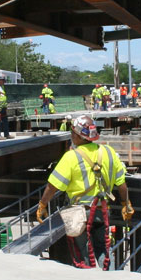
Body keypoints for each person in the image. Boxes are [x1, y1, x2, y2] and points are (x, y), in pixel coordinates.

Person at [36, 115, 134, 269]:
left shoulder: (71, 157)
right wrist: (126, 204)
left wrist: (42, 204)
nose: (71, 136)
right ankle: (111, 278)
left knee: (82, 252)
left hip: (80, 212)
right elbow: (121, 183)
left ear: (78, 136)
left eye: (73, 133)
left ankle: (89, 279)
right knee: (104, 249)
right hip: (102, 210)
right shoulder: (108, 152)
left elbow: (52, 186)